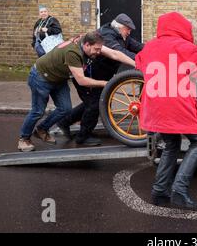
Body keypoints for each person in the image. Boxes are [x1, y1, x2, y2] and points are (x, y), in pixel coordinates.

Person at [135, 12, 197, 210]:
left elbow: (139, 62)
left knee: (171, 143)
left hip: (154, 104)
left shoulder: (150, 46)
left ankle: (160, 191)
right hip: (175, 102)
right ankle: (179, 190)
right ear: (183, 28)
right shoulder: (184, 47)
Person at [17, 31, 135, 152]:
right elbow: (82, 81)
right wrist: (107, 83)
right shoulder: (73, 53)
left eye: (100, 49)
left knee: (65, 108)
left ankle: (42, 129)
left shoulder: (89, 42)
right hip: (41, 77)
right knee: (37, 111)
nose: (99, 52)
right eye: (96, 49)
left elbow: (115, 54)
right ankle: (24, 139)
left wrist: (136, 64)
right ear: (87, 45)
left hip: (59, 78)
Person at [57, 13, 143, 146]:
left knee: (90, 103)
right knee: (94, 104)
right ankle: (83, 137)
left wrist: (152, 52)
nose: (130, 32)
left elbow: (138, 47)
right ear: (120, 27)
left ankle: (64, 122)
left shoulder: (123, 36)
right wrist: (141, 62)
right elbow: (119, 52)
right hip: (88, 76)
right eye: (128, 29)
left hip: (102, 75)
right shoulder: (106, 35)